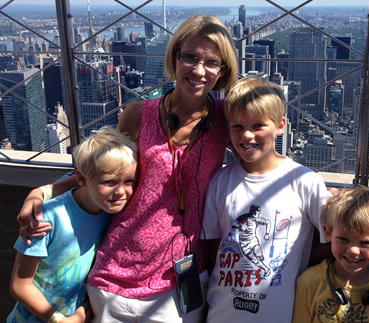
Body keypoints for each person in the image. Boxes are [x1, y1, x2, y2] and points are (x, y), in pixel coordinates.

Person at [17, 14, 238, 322]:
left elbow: (261, 162)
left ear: (223, 70)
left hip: (179, 283)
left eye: (212, 62)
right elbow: (101, 171)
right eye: (190, 57)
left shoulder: (225, 120)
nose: (199, 70)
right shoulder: (138, 115)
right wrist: (43, 190)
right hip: (114, 277)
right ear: (175, 56)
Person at [201, 76, 332, 322]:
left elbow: (332, 241)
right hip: (221, 314)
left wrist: (295, 261)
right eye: (237, 126)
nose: (247, 135)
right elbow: (212, 250)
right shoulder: (219, 182)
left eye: (258, 125)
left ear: (280, 125)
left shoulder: (305, 182)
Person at [8, 127, 138, 323]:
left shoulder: (109, 211)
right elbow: (20, 284)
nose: (121, 191)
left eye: (128, 181)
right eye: (110, 182)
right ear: (82, 179)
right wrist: (59, 320)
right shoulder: (46, 218)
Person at [292, 185, 369, 322]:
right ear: (328, 233)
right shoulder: (308, 283)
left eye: (365, 243)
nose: (353, 250)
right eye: (343, 239)